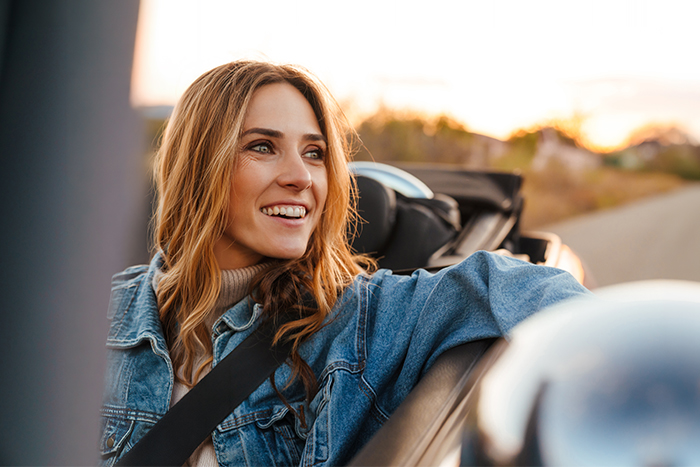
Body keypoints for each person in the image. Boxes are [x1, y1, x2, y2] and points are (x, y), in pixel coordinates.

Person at [100, 60, 590, 466]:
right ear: (199, 166)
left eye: (314, 153)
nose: (300, 177)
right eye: (262, 146)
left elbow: (536, 292)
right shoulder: (101, 314)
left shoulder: (362, 319)